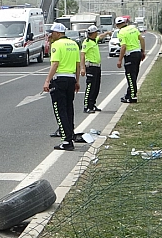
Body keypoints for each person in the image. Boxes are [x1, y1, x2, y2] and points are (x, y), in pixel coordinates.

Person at [43, 22, 80, 151]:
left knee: (60, 111)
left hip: (59, 80)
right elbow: (77, 65)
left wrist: (47, 80)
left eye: (52, 33)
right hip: (71, 79)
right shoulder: (74, 44)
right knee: (69, 109)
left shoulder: (56, 45)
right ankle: (70, 135)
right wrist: (77, 81)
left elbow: (55, 64)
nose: (50, 35)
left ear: (58, 33)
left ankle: (66, 140)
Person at [80, 25, 113, 113]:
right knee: (90, 87)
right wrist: (82, 68)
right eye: (96, 32)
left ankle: (92, 104)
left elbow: (100, 36)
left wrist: (107, 33)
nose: (97, 33)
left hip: (97, 66)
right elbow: (82, 55)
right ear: (93, 33)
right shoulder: (86, 42)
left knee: (96, 86)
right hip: (90, 66)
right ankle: (86, 106)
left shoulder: (94, 40)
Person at [115, 17, 145, 103]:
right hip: (138, 53)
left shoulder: (121, 32)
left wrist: (119, 60)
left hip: (130, 55)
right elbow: (142, 39)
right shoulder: (133, 28)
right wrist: (143, 51)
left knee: (130, 76)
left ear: (117, 25)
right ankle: (129, 94)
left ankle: (132, 96)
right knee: (134, 75)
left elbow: (123, 46)